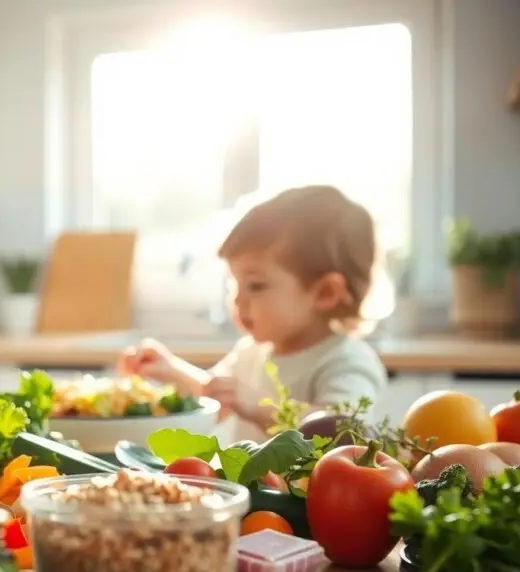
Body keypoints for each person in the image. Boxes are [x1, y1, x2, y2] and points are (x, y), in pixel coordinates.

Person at [118, 186, 390, 443]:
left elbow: (344, 431)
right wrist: (171, 370)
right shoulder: (250, 352)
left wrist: (256, 406)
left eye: (256, 286)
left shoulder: (347, 361)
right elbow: (216, 396)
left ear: (325, 292)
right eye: (234, 283)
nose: (237, 299)